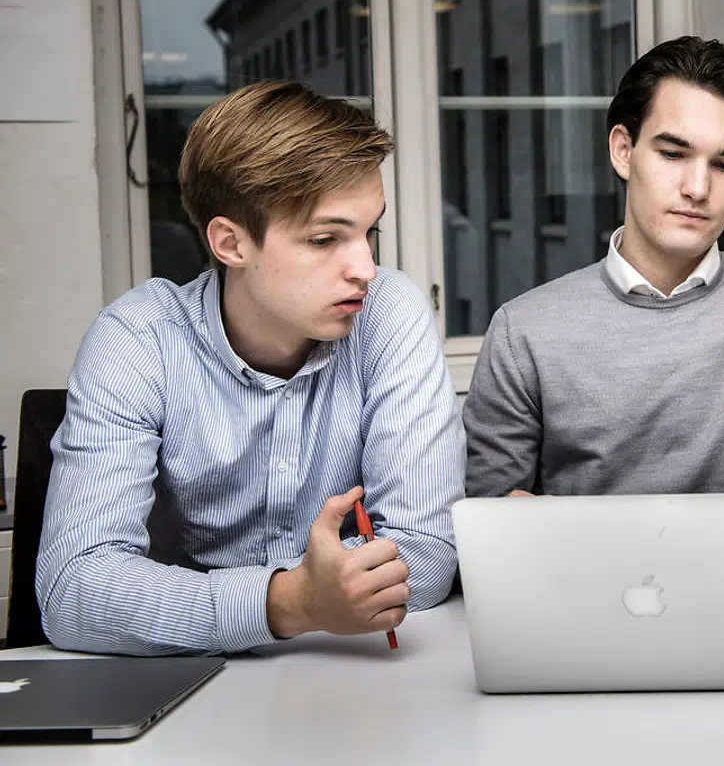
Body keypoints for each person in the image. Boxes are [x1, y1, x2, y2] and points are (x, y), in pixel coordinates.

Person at [37, 82, 464, 656]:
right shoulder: (137, 339)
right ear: (230, 243)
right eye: (324, 239)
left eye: (370, 233)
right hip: (184, 686)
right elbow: (74, 591)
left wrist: (321, 594)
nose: (365, 267)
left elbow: (428, 553)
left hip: (348, 679)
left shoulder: (389, 311)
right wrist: (292, 602)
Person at [464, 36, 724, 506]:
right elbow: (494, 530)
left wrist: (567, 522)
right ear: (623, 150)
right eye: (673, 154)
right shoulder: (523, 331)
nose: (698, 188)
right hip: (580, 583)